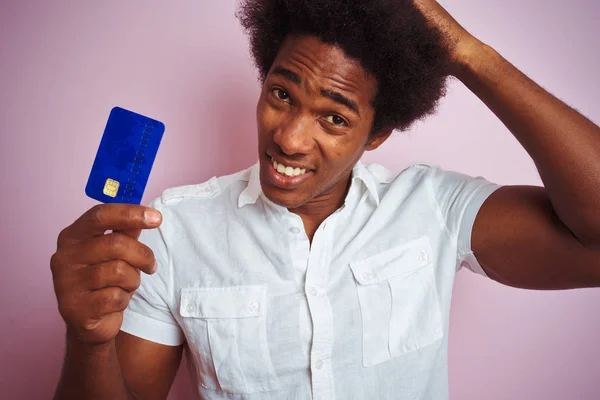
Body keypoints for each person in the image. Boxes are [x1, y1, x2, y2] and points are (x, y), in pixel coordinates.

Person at [50, 0, 600, 399]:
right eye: (281, 94)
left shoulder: (434, 207)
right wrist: (89, 342)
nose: (289, 137)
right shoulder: (171, 230)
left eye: (334, 118)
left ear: (377, 134)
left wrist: (467, 54)